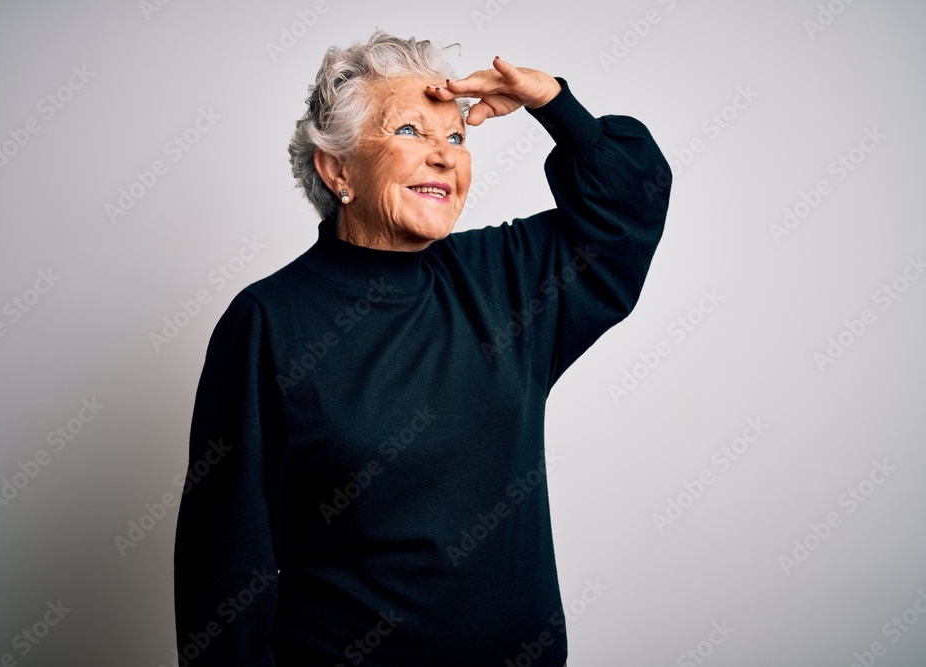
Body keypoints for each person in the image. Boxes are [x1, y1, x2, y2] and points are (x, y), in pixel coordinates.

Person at [174, 30, 671, 666]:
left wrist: (554, 103)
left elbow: (635, 201)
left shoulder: (507, 280)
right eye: (412, 131)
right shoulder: (269, 320)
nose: (444, 156)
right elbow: (225, 565)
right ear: (338, 168)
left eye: (457, 137)